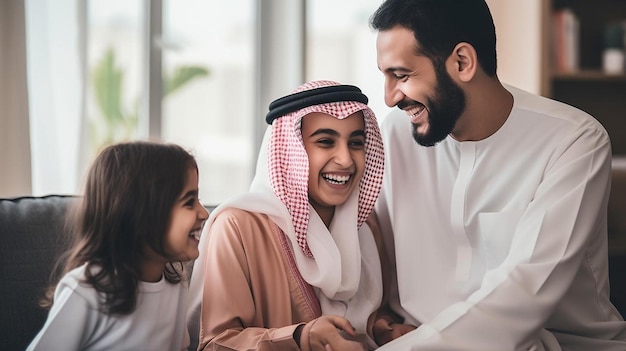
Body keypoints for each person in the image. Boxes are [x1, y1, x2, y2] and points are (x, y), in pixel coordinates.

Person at [368, 0, 626, 350]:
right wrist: (377, 318)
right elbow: (373, 248)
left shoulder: (574, 140)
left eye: (401, 75)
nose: (388, 97)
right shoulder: (397, 133)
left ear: (462, 62)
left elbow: (523, 292)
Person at [186, 80, 412, 351]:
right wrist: (301, 338)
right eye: (325, 142)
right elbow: (215, 343)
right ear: (289, 152)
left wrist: (385, 330)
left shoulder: (366, 225)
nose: (346, 160)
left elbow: (374, 313)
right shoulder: (237, 227)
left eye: (356, 143)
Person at [27, 141, 209, 351]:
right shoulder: (87, 290)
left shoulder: (176, 283)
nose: (204, 213)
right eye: (189, 202)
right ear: (141, 217)